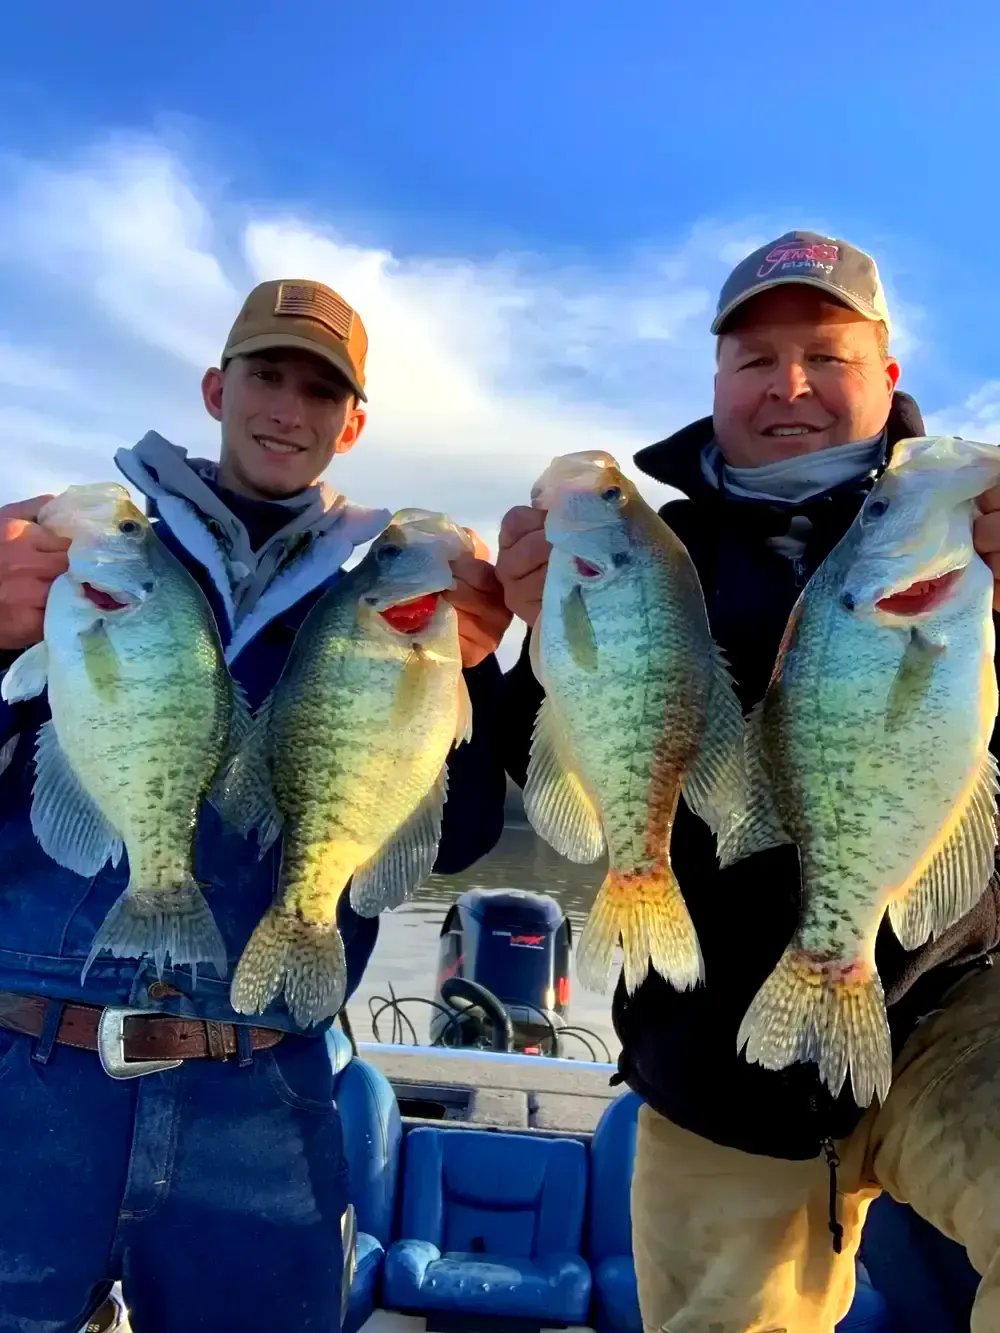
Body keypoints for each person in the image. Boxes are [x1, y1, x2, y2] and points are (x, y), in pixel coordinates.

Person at [497, 231, 1000, 1332]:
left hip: (950, 1012)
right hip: (710, 1046)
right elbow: (537, 754)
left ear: (886, 373)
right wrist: (515, 638)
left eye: (825, 354)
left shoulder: (974, 547)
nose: (791, 386)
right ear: (715, 379)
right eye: (755, 360)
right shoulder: (649, 551)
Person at [0, 277, 512, 1333]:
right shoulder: (71, 563)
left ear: (352, 423)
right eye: (265, 375)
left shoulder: (376, 601)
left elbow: (452, 840)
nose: (287, 407)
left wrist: (477, 671)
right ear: (213, 388)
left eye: (318, 391)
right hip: (29, 1076)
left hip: (259, 1086)